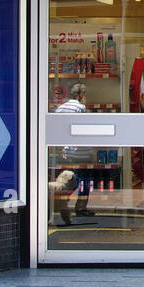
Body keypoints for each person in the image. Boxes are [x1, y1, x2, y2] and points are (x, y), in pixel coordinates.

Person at [55, 82, 96, 217]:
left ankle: (62, 199)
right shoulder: (80, 108)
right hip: (81, 151)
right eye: (84, 95)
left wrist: (64, 146)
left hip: (68, 150)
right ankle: (81, 207)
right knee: (85, 178)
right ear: (81, 95)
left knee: (75, 176)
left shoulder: (61, 108)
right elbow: (83, 129)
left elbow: (57, 128)